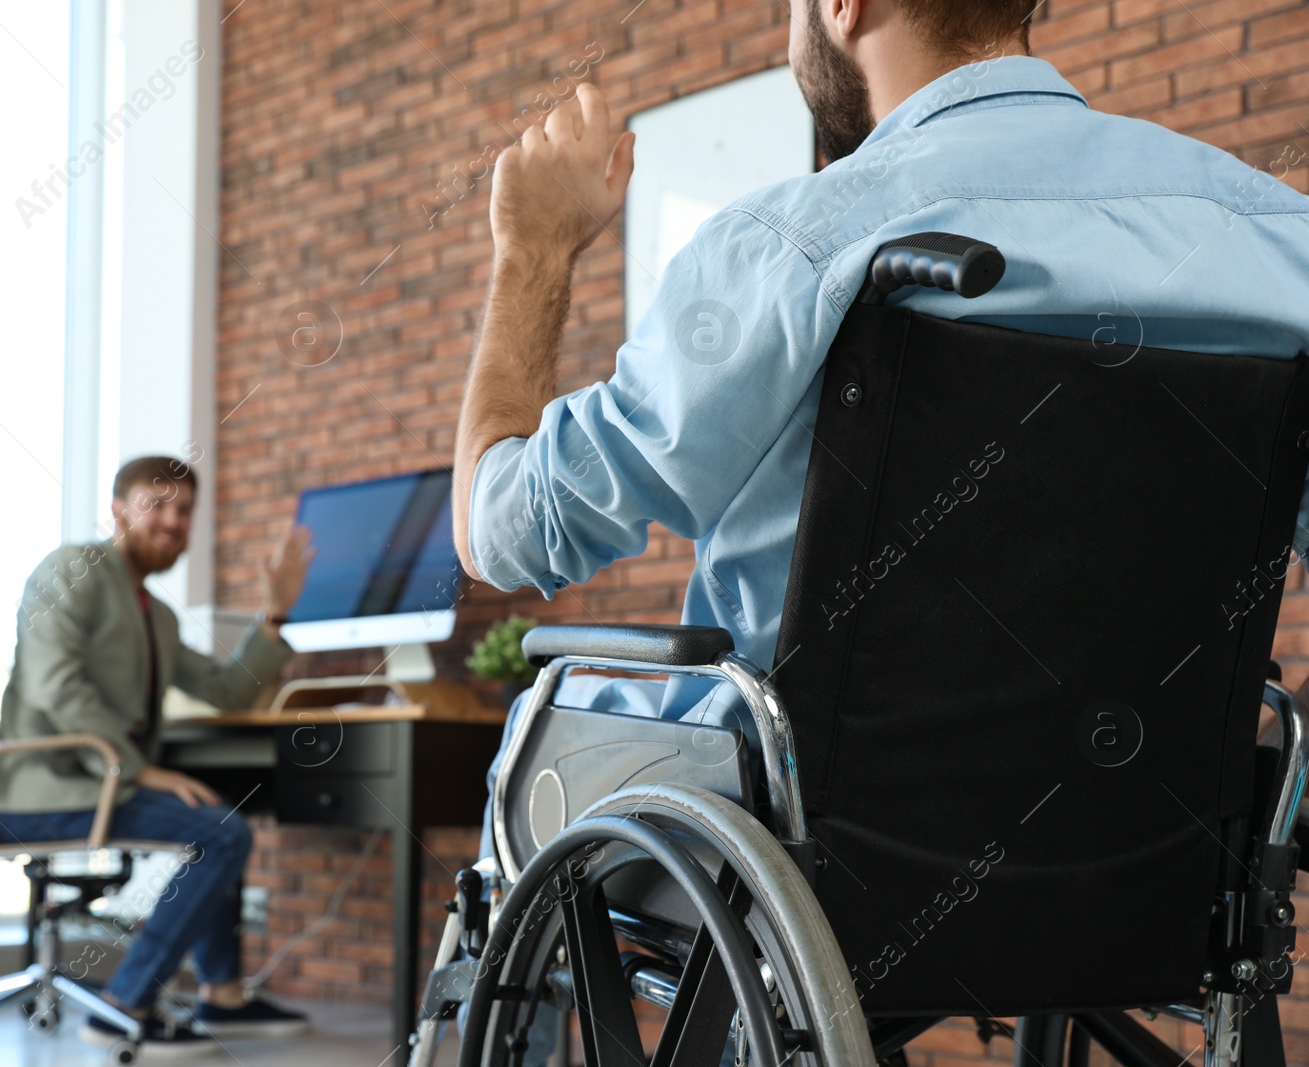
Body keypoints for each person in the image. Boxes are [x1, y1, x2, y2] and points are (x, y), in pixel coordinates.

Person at [452, 0, 1309, 1058]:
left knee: (538, 730)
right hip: (1152, 849)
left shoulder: (805, 238)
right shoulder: (1279, 239)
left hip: (813, 862)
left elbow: (504, 533)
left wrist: (529, 254)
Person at [0, 455, 316, 1059]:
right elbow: (58, 687)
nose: (172, 521)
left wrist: (275, 614)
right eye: (155, 504)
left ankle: (224, 997)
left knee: (213, 812)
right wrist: (139, 769)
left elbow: (224, 689)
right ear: (118, 510)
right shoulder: (71, 570)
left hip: (101, 787)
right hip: (38, 794)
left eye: (184, 510)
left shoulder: (153, 615)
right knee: (222, 834)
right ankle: (125, 1006)